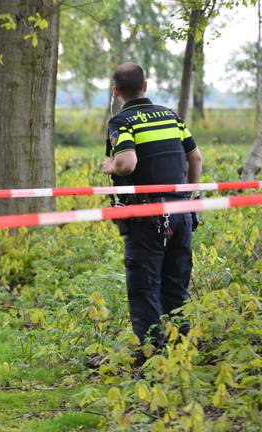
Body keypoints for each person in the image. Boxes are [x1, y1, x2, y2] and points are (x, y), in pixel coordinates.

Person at [101, 63, 203, 365]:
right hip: (181, 214)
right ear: (145, 86)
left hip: (145, 218)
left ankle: (152, 366)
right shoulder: (171, 116)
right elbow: (195, 157)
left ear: (116, 91)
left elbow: (127, 163)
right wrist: (190, 194)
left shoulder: (122, 120)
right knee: (176, 289)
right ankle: (182, 358)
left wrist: (110, 165)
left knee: (145, 291)